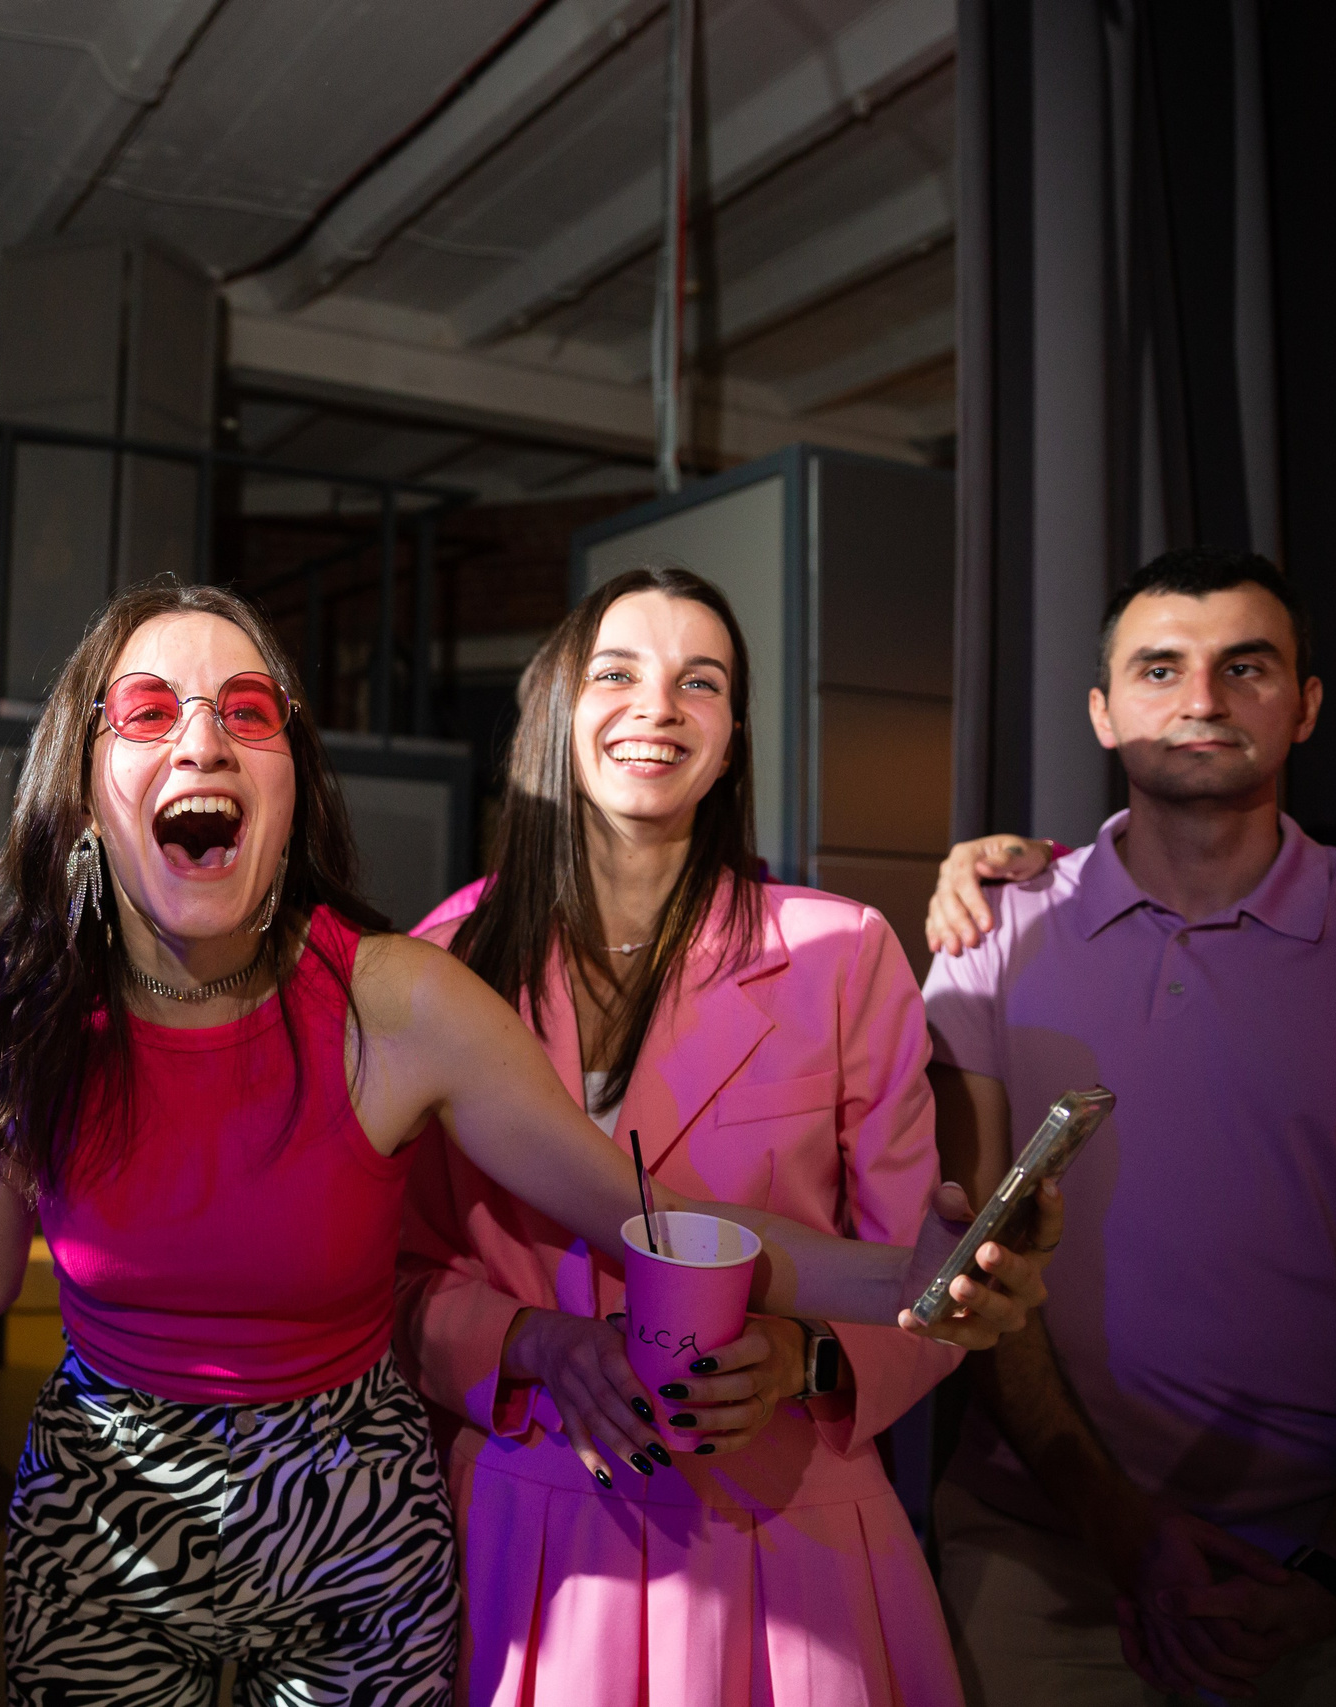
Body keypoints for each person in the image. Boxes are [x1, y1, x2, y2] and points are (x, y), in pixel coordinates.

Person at [0, 579, 1050, 1703]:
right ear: (85, 772)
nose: (204, 744)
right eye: (148, 711)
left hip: (354, 1501)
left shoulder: (399, 998)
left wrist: (919, 1275)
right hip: (103, 1501)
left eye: (247, 713)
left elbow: (651, 1217)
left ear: (292, 779)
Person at [395, 566, 971, 1706]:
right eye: (618, 673)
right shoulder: (442, 960)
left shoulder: (842, 952)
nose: (658, 707)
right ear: (556, 713)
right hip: (531, 1523)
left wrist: (802, 1357)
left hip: (790, 1519)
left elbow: (920, 1278)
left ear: (731, 740)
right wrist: (538, 1345)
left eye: (697, 683)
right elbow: (389, 1274)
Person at [914, 548, 1336, 1702]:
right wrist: (1121, 1534)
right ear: (1102, 711)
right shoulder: (990, 932)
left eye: (1243, 666)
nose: (1200, 699)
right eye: (1159, 669)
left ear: (1304, 705)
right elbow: (960, 1268)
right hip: (1038, 1553)